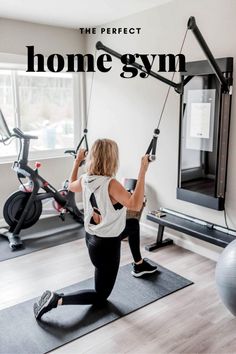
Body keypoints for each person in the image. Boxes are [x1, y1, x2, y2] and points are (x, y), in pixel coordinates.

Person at [34, 139, 157, 320]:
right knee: (101, 296)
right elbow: (136, 205)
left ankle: (139, 265)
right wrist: (143, 169)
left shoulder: (85, 179)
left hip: (92, 239)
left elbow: (70, 184)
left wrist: (77, 162)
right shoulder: (111, 184)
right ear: (112, 159)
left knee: (132, 225)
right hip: (107, 246)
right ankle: (57, 299)